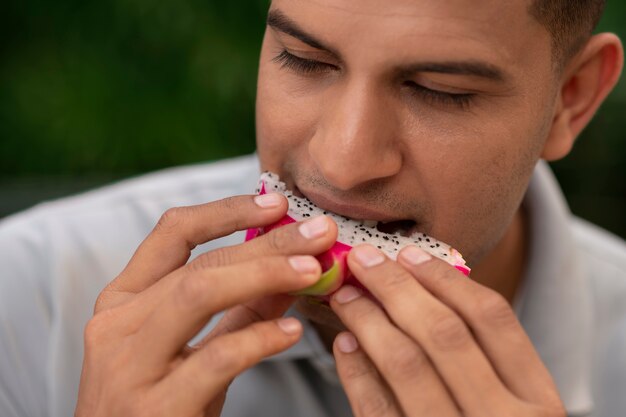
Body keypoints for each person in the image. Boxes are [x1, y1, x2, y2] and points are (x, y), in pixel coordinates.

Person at [1, 0, 625, 416]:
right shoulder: (28, 296)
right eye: (304, 60)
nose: (342, 161)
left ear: (569, 101)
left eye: (441, 92)